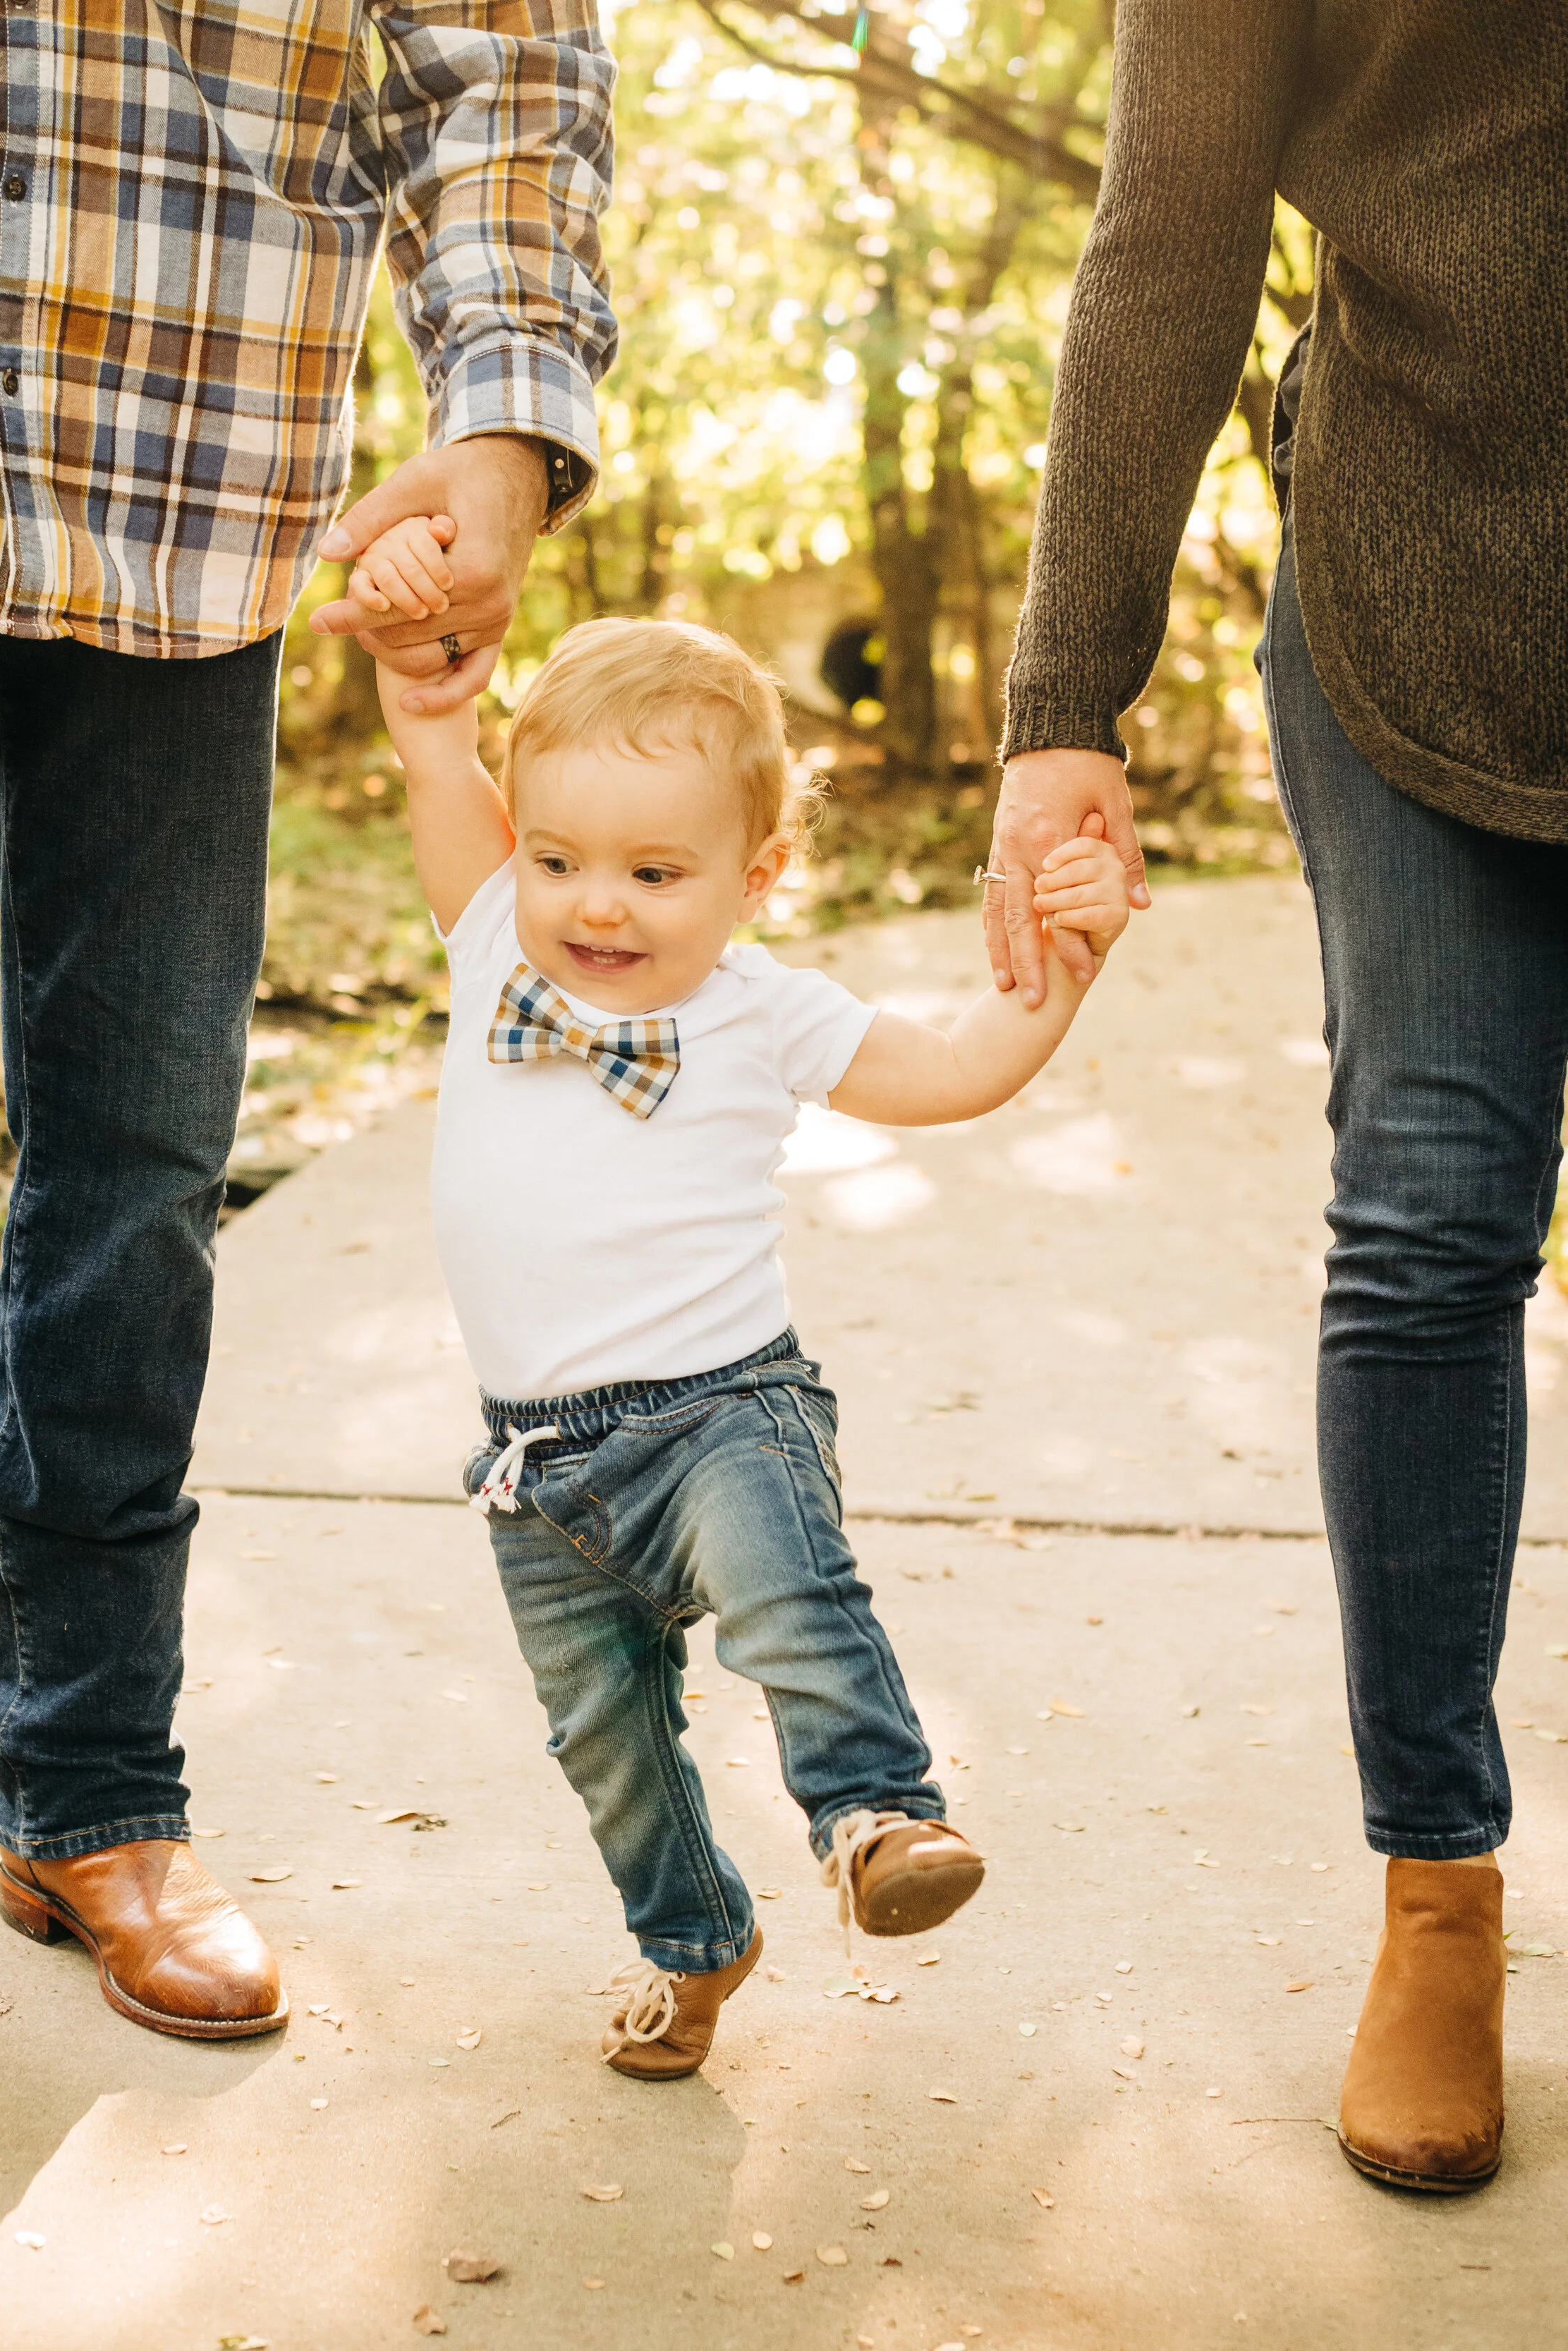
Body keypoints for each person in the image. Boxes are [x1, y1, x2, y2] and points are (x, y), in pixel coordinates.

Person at [0, 1, 615, 2066]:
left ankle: (90, 1780)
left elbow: (499, 66)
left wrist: (504, 427)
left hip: (177, 443)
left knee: (139, 1156)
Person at [990, 3, 1567, 2190]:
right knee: (1430, 1212)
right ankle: (1437, 1885)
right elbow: (1170, 234)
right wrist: (1067, 692)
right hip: (1424, 555)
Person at [367, 580, 1129, 2076]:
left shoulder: (761, 1009)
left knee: (791, 1602)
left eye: (656, 871)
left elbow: (954, 1067)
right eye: (563, 858)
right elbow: (438, 765)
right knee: (609, 1749)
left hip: (723, 1412)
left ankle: (874, 1813)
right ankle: (691, 1944)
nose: (599, 903)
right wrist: (424, 699)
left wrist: (1061, 976)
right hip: (536, 1469)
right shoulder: (487, 950)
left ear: (756, 872)